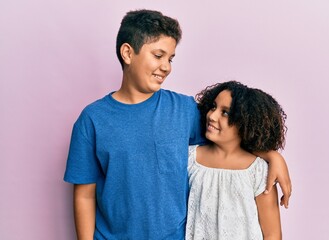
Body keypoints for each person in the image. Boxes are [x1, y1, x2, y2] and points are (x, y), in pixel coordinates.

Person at [63, 10, 291, 240]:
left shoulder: (185, 109)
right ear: (127, 53)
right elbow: (84, 194)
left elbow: (228, 140)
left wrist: (271, 156)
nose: (166, 67)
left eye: (170, 58)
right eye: (158, 55)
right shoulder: (92, 119)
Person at [186, 81, 286, 239]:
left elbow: (272, 234)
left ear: (246, 124)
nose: (212, 116)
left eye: (225, 113)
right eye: (213, 107)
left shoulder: (258, 170)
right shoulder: (190, 159)